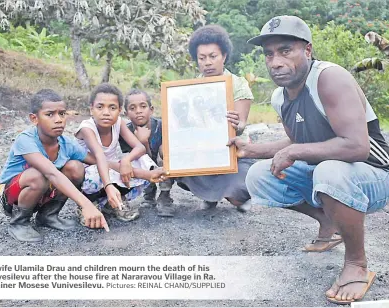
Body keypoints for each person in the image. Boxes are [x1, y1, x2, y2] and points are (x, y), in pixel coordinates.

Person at [232, 16, 389, 305]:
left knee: (329, 172)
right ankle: (328, 222)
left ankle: (356, 263)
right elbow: (298, 141)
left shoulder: (329, 78)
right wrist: (251, 150)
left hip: (376, 174)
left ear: (307, 50)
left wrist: (294, 153)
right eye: (269, 54)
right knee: (259, 175)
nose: (275, 62)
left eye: (285, 51)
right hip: (332, 172)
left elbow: (357, 147)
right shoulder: (279, 98)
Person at [156, 24, 256, 216]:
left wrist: (237, 124)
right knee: (169, 152)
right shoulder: (189, 88)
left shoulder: (238, 84)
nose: (207, 63)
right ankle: (208, 197)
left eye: (213, 56)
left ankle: (237, 196)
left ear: (224, 56)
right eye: (202, 58)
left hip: (232, 152)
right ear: (196, 60)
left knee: (238, 194)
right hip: (203, 150)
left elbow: (241, 125)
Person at [0, 89, 110, 243]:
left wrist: (132, 169)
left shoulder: (66, 144)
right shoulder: (26, 140)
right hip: (6, 197)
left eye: (62, 113)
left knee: (76, 167)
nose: (58, 119)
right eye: (50, 114)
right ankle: (19, 222)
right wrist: (86, 204)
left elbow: (97, 161)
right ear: (34, 119)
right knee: (38, 175)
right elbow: (52, 173)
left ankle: (48, 216)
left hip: (39, 189)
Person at [75, 83, 166, 223]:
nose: (106, 112)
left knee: (144, 160)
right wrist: (144, 175)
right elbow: (100, 158)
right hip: (91, 173)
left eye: (112, 108)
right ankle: (87, 204)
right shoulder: (87, 128)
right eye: (100, 107)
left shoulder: (118, 122)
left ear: (119, 111)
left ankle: (112, 202)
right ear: (91, 109)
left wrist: (126, 160)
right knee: (96, 174)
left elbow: (140, 148)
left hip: (112, 169)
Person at [118, 89, 174, 217]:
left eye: (143, 106)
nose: (138, 111)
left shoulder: (162, 127)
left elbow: (166, 156)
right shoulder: (125, 132)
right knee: (133, 161)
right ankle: (149, 195)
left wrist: (145, 142)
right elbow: (138, 160)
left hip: (162, 166)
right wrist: (142, 142)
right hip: (144, 168)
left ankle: (165, 196)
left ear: (151, 109)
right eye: (133, 108)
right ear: (126, 113)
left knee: (164, 153)